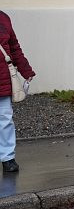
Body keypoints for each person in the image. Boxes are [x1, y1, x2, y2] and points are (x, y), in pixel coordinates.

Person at [0, 10, 34, 173]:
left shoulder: (3, 18)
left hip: (2, 80)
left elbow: (14, 48)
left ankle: (8, 158)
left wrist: (26, 71)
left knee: (5, 120)